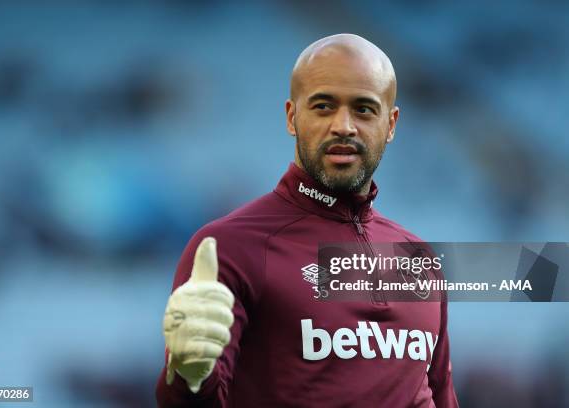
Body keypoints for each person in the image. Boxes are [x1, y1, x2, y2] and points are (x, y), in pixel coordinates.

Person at [156, 33, 459, 407]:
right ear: (291, 117)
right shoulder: (231, 249)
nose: (344, 126)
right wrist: (188, 379)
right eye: (323, 106)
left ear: (391, 123)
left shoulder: (418, 260)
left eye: (364, 109)